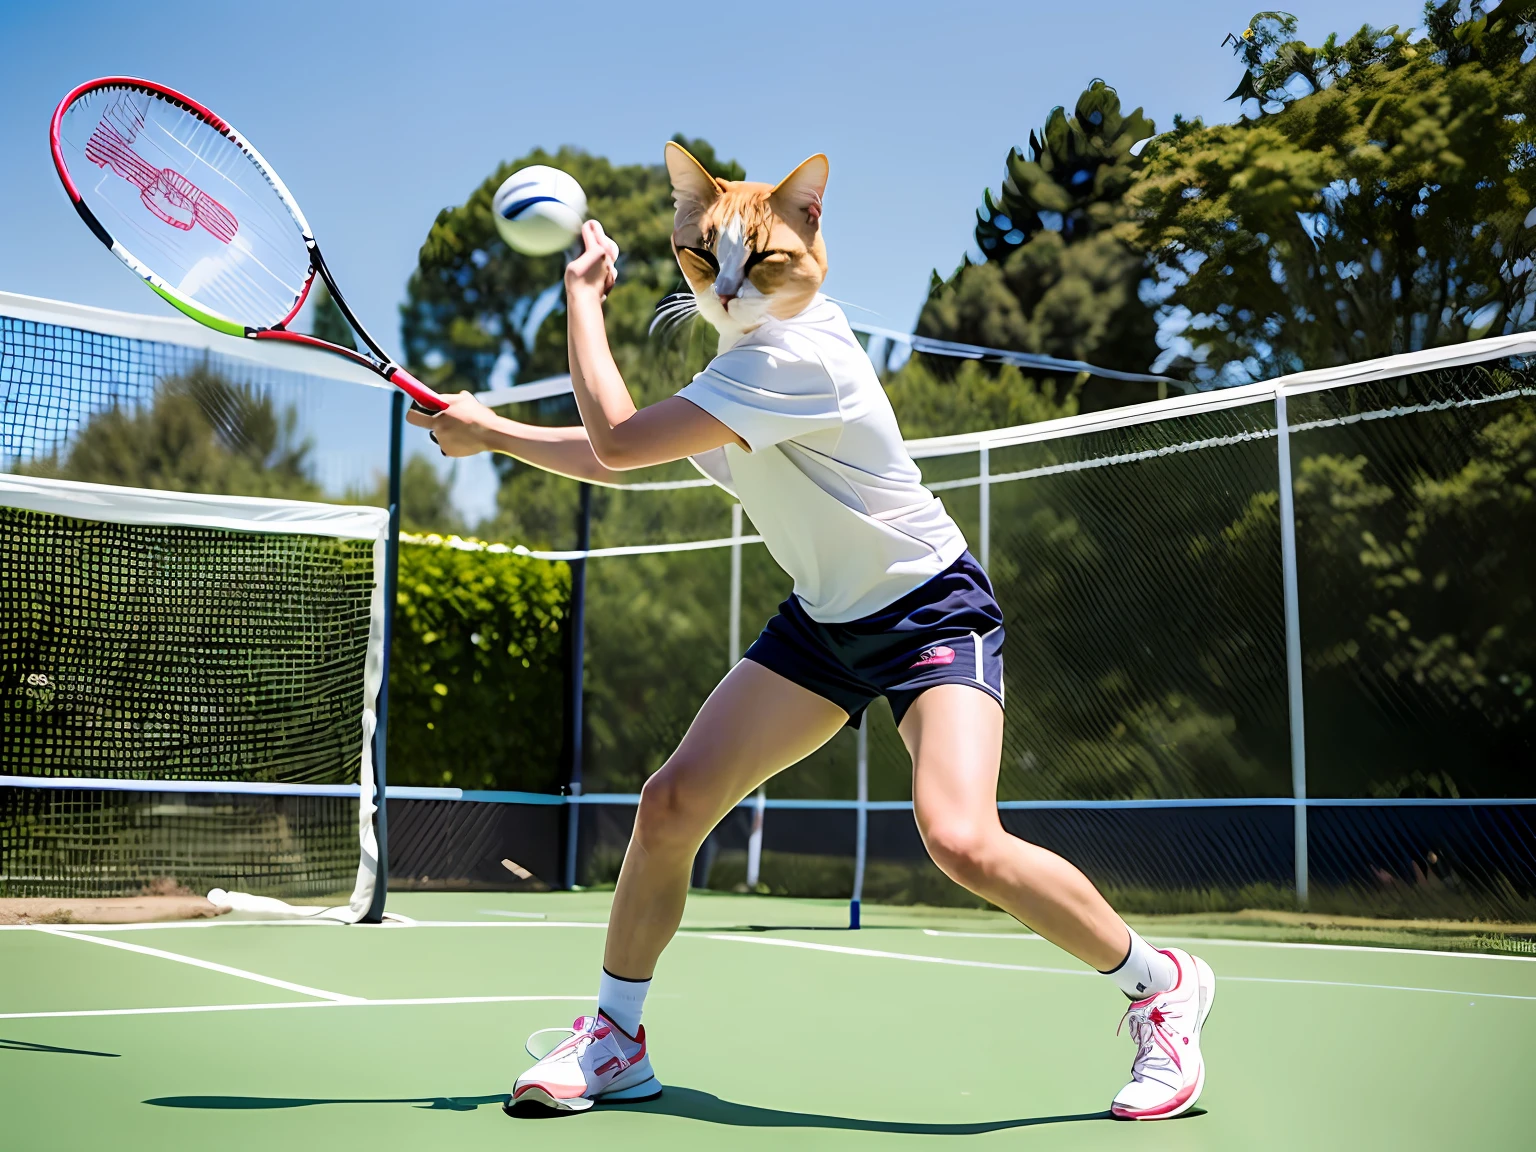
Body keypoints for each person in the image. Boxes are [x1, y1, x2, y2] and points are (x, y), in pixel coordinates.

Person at [408, 144, 1216, 1121]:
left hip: (928, 608)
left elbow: (619, 442)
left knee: (960, 839)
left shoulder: (799, 360)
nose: (732, 288)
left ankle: (1159, 985)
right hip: (824, 624)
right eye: (707, 262)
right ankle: (616, 1038)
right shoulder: (738, 370)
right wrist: (493, 432)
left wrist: (581, 297)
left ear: (813, 238)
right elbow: (626, 450)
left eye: (763, 264)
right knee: (670, 806)